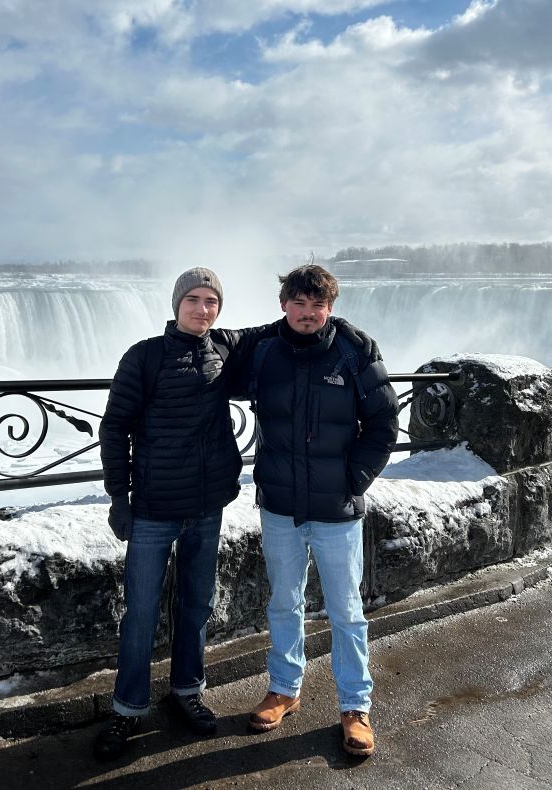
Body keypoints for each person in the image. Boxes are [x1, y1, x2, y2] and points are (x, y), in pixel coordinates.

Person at [94, 266, 376, 762]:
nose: (203, 309)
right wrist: (120, 496)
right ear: (177, 303)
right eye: (194, 300)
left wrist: (352, 481)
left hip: (213, 504)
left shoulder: (232, 348)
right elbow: (115, 427)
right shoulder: (145, 357)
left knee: (199, 607)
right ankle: (128, 709)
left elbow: (376, 415)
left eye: (211, 301)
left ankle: (190, 692)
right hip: (160, 506)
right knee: (141, 613)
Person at [238, 264, 398, 758]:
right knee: (284, 602)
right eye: (300, 304)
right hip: (281, 505)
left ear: (330, 306)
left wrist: (354, 480)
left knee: (346, 611)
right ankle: (285, 689)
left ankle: (355, 707)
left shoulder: (353, 351)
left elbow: (384, 421)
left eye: (318, 305)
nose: (308, 314)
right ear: (284, 303)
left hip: (335, 508)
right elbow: (210, 361)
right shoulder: (263, 350)